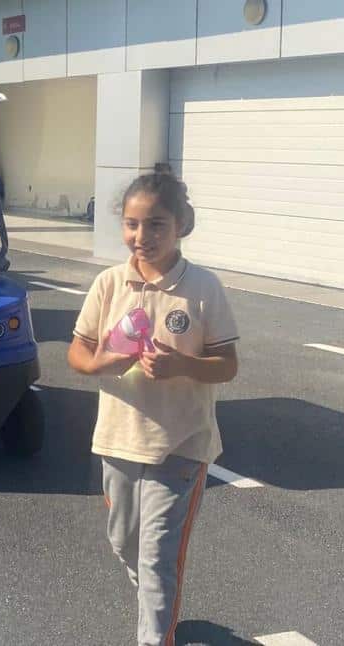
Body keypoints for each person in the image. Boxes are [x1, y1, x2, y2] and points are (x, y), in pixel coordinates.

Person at [66, 166, 239, 646]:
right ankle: (157, 603)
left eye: (156, 224)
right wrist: (102, 359)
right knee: (125, 542)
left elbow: (226, 364)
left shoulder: (203, 288)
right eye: (132, 224)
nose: (141, 236)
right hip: (118, 440)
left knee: (157, 556)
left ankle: (155, 631)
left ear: (181, 225)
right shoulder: (108, 284)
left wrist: (183, 365)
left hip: (180, 445)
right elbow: (77, 353)